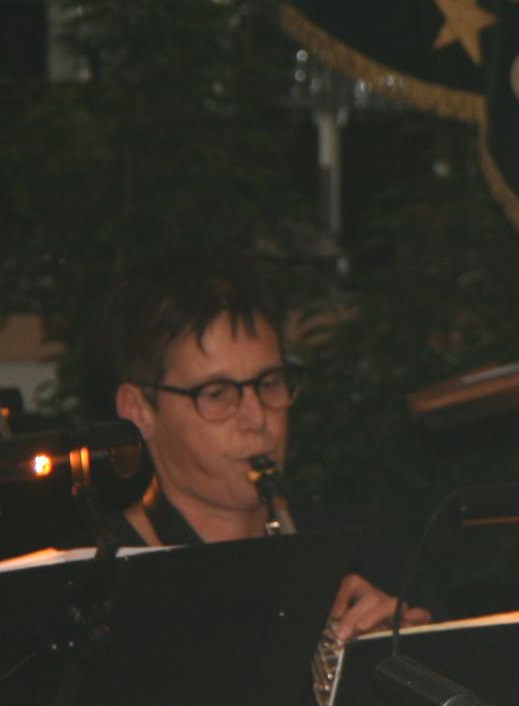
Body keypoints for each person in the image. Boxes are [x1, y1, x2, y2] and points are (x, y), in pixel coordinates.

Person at [99, 251, 427, 641]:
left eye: (269, 383)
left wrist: (409, 654)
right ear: (137, 410)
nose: (257, 418)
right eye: (217, 393)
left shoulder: (364, 550)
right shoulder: (102, 586)